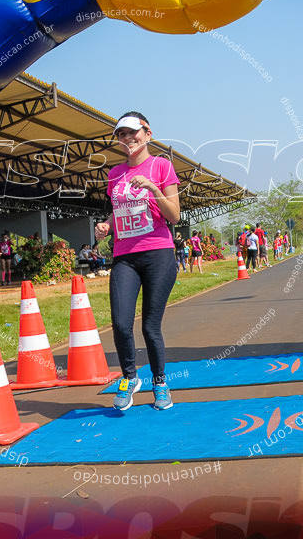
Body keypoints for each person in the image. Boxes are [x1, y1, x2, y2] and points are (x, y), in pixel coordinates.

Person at [94, 112, 180, 411]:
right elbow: (119, 210)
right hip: (124, 257)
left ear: (147, 133)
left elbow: (174, 216)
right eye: (122, 135)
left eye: (133, 133)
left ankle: (160, 383)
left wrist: (154, 189)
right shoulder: (114, 173)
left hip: (158, 253)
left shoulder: (161, 165)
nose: (128, 139)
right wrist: (107, 225)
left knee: (150, 327)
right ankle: (129, 378)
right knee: (119, 323)